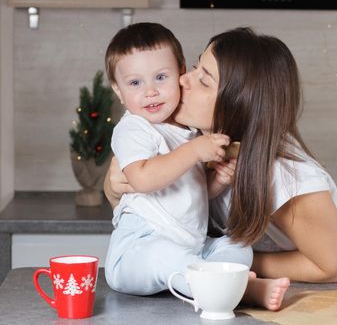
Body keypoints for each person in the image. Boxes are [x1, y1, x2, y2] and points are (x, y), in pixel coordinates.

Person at [105, 27, 337, 298]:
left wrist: (219, 263)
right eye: (194, 67)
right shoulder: (192, 140)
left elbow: (334, 266)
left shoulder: (282, 173)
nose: (182, 79)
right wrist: (113, 187)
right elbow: (160, 209)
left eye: (203, 79)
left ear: (237, 104)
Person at [103, 22, 289, 311]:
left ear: (179, 74)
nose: (150, 92)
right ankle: (234, 290)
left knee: (236, 245)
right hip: (138, 249)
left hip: (189, 248)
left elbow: (190, 193)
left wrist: (216, 182)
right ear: (118, 90)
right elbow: (142, 180)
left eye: (161, 77)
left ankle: (230, 285)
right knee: (164, 256)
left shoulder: (186, 131)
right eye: (135, 83)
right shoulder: (134, 129)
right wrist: (193, 152)